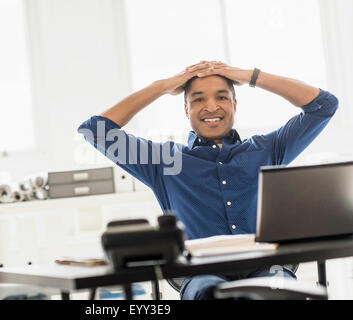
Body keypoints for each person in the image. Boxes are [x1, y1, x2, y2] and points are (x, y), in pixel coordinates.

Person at [77, 60, 339, 300]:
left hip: (267, 266)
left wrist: (249, 76)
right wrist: (162, 87)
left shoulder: (266, 149)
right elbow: (96, 130)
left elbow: (323, 106)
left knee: (278, 290)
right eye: (198, 99)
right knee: (209, 294)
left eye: (222, 97)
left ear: (234, 105)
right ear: (186, 109)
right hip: (200, 273)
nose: (211, 107)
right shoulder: (166, 160)